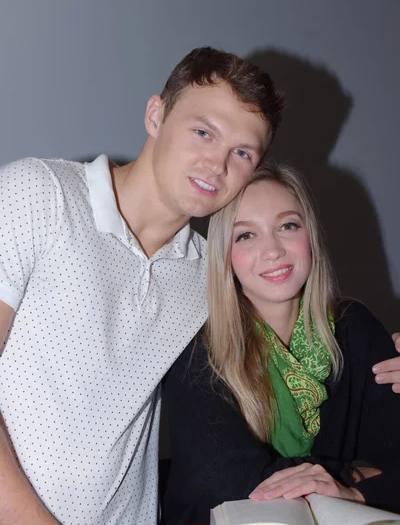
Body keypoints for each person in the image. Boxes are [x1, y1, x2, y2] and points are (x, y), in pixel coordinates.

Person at [0, 47, 284, 525]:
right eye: (202, 132)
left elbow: (305, 355)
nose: (217, 164)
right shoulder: (39, 193)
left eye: (241, 153)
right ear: (156, 114)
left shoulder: (207, 279)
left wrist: (383, 356)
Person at [162, 161, 400, 525]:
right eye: (246, 235)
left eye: (287, 225)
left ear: (311, 236)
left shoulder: (355, 328)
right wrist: (350, 475)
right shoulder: (196, 347)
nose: (272, 250)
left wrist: (352, 489)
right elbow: (229, 484)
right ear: (225, 255)